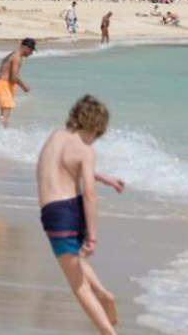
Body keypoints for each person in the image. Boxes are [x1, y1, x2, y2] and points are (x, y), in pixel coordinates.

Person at [36, 95, 126, 335]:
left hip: (54, 214)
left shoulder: (55, 136)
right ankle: (104, 294)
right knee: (74, 258)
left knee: (78, 287)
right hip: (68, 211)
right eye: (98, 135)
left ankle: (109, 333)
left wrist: (92, 236)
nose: (95, 141)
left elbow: (67, 167)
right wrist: (93, 236)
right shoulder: (85, 151)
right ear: (95, 127)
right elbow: (88, 192)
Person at [0, 38, 36, 127]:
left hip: (5, 85)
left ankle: (1, 131)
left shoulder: (14, 55)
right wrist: (24, 86)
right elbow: (14, 76)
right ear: (26, 47)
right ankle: (1, 132)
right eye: (31, 50)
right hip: (4, 85)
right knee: (6, 110)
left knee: (5, 111)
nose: (31, 53)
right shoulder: (16, 57)